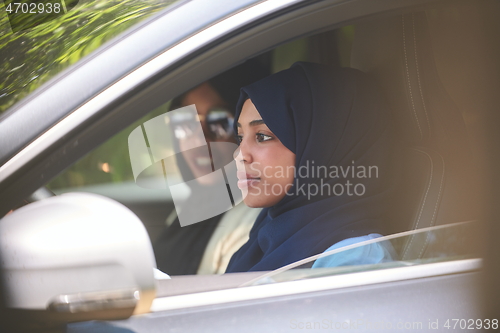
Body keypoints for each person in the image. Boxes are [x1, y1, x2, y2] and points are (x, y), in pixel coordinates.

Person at [226, 62, 399, 273]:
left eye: (262, 136)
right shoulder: (271, 228)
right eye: (240, 137)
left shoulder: (353, 259)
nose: (239, 155)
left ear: (322, 144)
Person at [153, 59, 268, 275]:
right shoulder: (193, 203)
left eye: (220, 121)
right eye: (184, 122)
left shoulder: (252, 223)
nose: (199, 139)